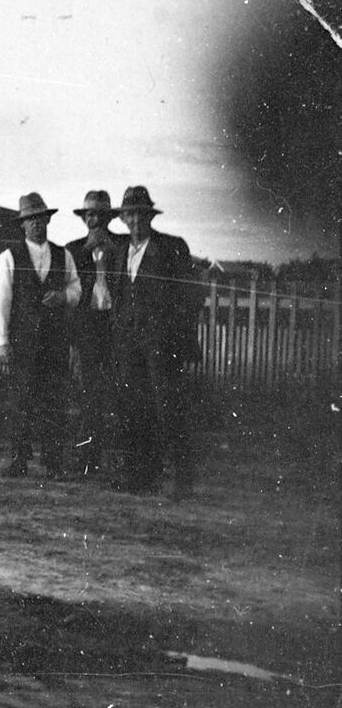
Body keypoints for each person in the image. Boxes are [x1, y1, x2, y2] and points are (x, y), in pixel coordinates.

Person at [109, 185, 199, 498]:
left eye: (141, 214)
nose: (135, 220)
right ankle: (140, 477)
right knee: (135, 408)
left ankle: (181, 481)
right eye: (130, 214)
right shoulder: (120, 251)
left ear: (150, 216)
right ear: (122, 218)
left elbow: (190, 297)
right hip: (129, 345)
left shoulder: (172, 247)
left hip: (163, 345)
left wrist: (182, 340)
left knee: (168, 408)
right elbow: (118, 297)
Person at [0, 193, 83, 478]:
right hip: (23, 343)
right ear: (23, 225)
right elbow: (0, 301)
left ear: (48, 220)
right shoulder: (9, 257)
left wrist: (63, 296)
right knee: (21, 401)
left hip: (54, 343)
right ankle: (19, 460)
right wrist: (2, 342)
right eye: (31, 220)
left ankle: (53, 464)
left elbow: (77, 289)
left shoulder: (63, 255)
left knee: (54, 401)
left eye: (41, 219)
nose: (36, 225)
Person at [65, 190, 123, 477]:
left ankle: (122, 461)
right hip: (87, 331)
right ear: (84, 218)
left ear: (109, 218)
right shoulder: (73, 250)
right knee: (88, 394)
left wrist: (109, 250)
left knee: (120, 393)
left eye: (100, 214)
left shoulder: (122, 247)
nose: (94, 219)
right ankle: (88, 458)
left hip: (115, 330)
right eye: (89, 214)